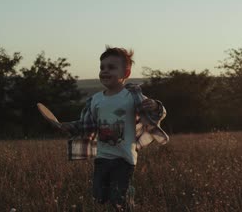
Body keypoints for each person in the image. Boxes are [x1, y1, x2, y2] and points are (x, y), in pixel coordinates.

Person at [61, 46, 169, 211]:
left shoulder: (132, 96)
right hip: (102, 157)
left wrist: (155, 106)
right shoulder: (95, 100)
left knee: (118, 199)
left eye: (111, 67)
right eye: (102, 67)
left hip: (124, 159)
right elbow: (87, 125)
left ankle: (127, 201)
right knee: (99, 197)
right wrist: (70, 126)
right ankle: (124, 197)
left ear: (126, 73)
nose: (105, 71)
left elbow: (159, 113)